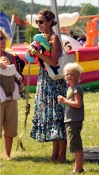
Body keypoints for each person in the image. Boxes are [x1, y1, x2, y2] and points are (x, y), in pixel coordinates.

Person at [27, 9, 67, 163]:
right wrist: (33, 52)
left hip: (55, 81)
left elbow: (53, 62)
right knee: (51, 117)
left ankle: (62, 155)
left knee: (58, 117)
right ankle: (55, 153)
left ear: (50, 22)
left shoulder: (54, 38)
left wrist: (37, 53)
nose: (38, 24)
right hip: (45, 79)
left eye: (41, 21)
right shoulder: (41, 38)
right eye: (37, 22)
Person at [0, 27, 24, 160]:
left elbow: (16, 73)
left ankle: (7, 155)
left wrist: (20, 83)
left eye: (2, 37)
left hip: (10, 95)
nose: (1, 41)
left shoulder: (10, 57)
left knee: (10, 127)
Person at [57, 62, 84, 174]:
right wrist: (63, 102)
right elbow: (70, 104)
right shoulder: (70, 88)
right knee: (74, 144)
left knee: (75, 145)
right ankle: (78, 168)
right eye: (67, 74)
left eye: (71, 74)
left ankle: (77, 169)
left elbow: (78, 104)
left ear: (77, 75)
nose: (68, 76)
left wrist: (65, 100)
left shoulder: (76, 88)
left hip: (74, 120)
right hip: (70, 119)